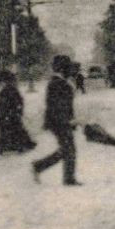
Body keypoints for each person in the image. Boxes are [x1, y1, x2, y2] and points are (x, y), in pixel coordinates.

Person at [32, 56, 79, 185]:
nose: (71, 70)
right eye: (68, 67)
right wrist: (67, 121)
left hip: (59, 121)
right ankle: (68, 179)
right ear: (63, 68)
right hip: (59, 122)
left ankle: (39, 166)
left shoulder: (58, 82)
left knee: (67, 149)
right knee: (69, 149)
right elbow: (56, 106)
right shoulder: (58, 83)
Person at [0, 70, 37, 154]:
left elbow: (1, 103)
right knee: (16, 129)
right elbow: (19, 101)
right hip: (11, 114)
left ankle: (7, 147)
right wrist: (18, 111)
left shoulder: (6, 90)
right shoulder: (11, 90)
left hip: (7, 114)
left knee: (8, 130)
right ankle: (20, 145)